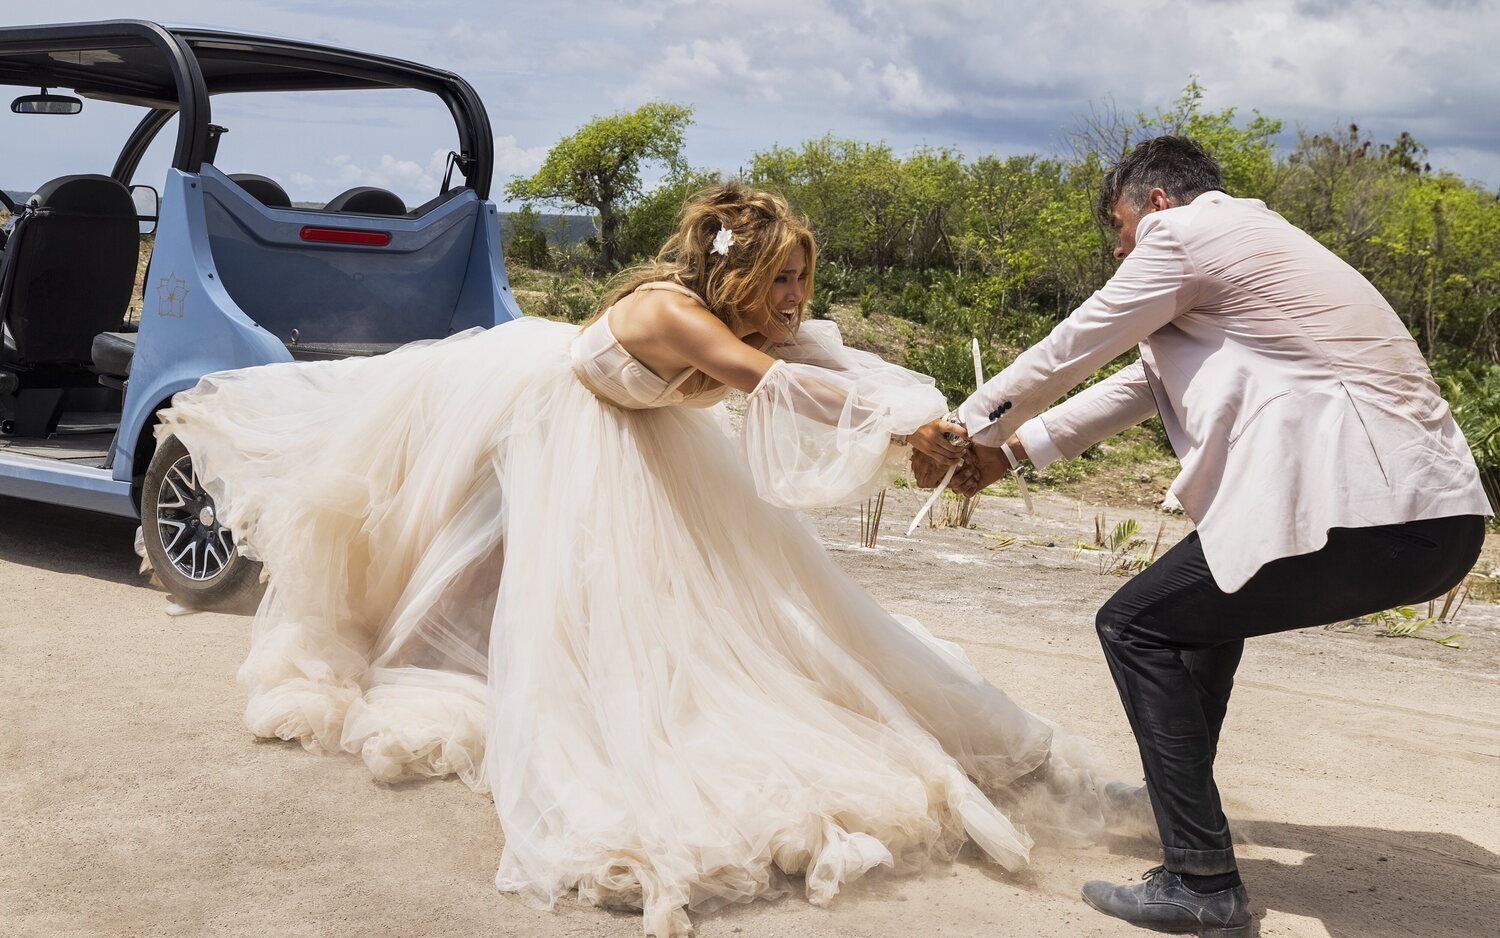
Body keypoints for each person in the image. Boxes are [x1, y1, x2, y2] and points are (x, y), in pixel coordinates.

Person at [157, 182, 1107, 937]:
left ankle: (452, 649)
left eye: (800, 284)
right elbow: (775, 386)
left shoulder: (766, 322)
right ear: (733, 276)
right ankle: (406, 653)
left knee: (676, 601)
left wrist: (932, 432)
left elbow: (838, 374)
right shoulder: (674, 317)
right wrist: (906, 428)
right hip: (546, 418)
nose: (793, 302)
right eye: (779, 282)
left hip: (636, 438)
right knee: (511, 569)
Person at [926, 136, 1492, 937]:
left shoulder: (1188, 237)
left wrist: (962, 426)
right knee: (1196, 628)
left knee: (1134, 625)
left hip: (1367, 507)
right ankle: (1183, 827)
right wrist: (1011, 451)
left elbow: (1079, 343)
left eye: (1118, 231)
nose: (1119, 251)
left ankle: (1202, 882)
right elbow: (1135, 383)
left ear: (1154, 203)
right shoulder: (1262, 253)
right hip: (1434, 518)